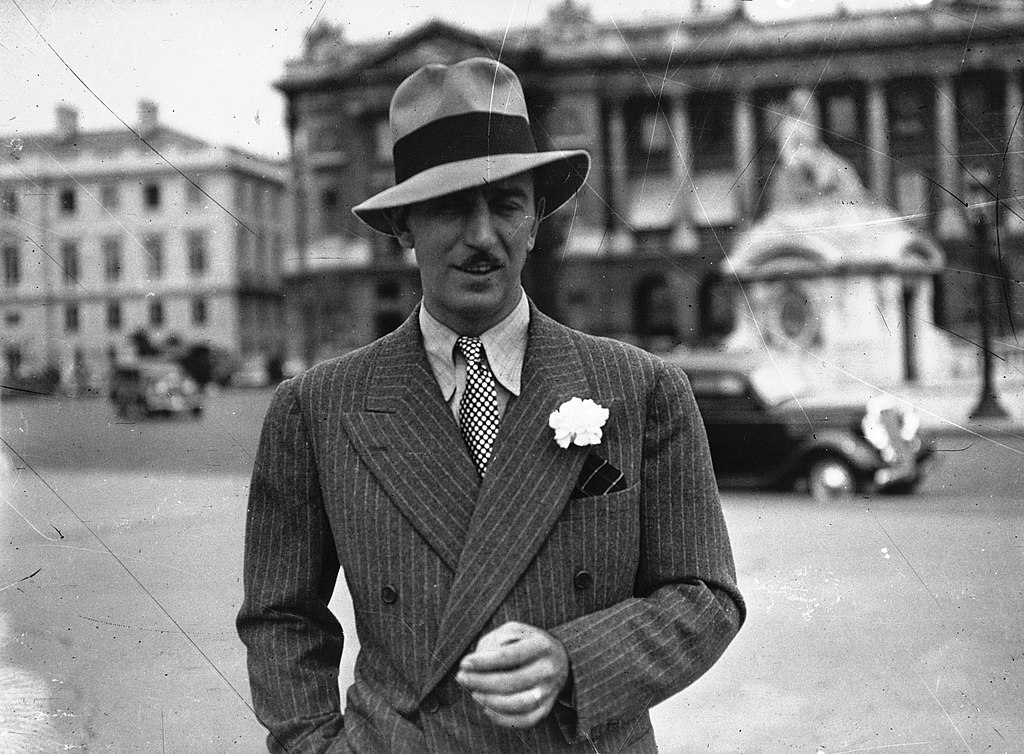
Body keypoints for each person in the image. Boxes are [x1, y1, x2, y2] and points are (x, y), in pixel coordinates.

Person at [237, 57, 745, 754]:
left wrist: (575, 659)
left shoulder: (643, 388)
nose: (482, 235)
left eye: (506, 203)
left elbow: (705, 593)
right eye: (451, 206)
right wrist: (312, 745)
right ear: (404, 227)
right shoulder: (316, 407)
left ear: (536, 220)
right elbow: (279, 615)